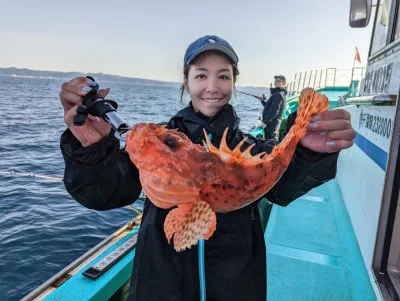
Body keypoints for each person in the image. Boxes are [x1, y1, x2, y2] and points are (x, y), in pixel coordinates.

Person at [59, 34, 356, 301]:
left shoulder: (253, 149)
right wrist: (92, 150)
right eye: (201, 75)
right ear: (186, 82)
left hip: (237, 288)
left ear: (233, 84)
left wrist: (306, 151)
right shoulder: (161, 146)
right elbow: (103, 193)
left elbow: (283, 186)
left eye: (223, 77)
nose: (212, 87)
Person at [258, 75, 288, 140]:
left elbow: (274, 110)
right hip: (272, 123)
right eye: (275, 81)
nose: (276, 82)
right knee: (270, 141)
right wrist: (262, 101)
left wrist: (265, 122)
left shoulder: (279, 94)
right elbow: (270, 107)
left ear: (283, 83)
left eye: (278, 81)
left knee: (271, 141)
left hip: (271, 124)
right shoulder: (279, 93)